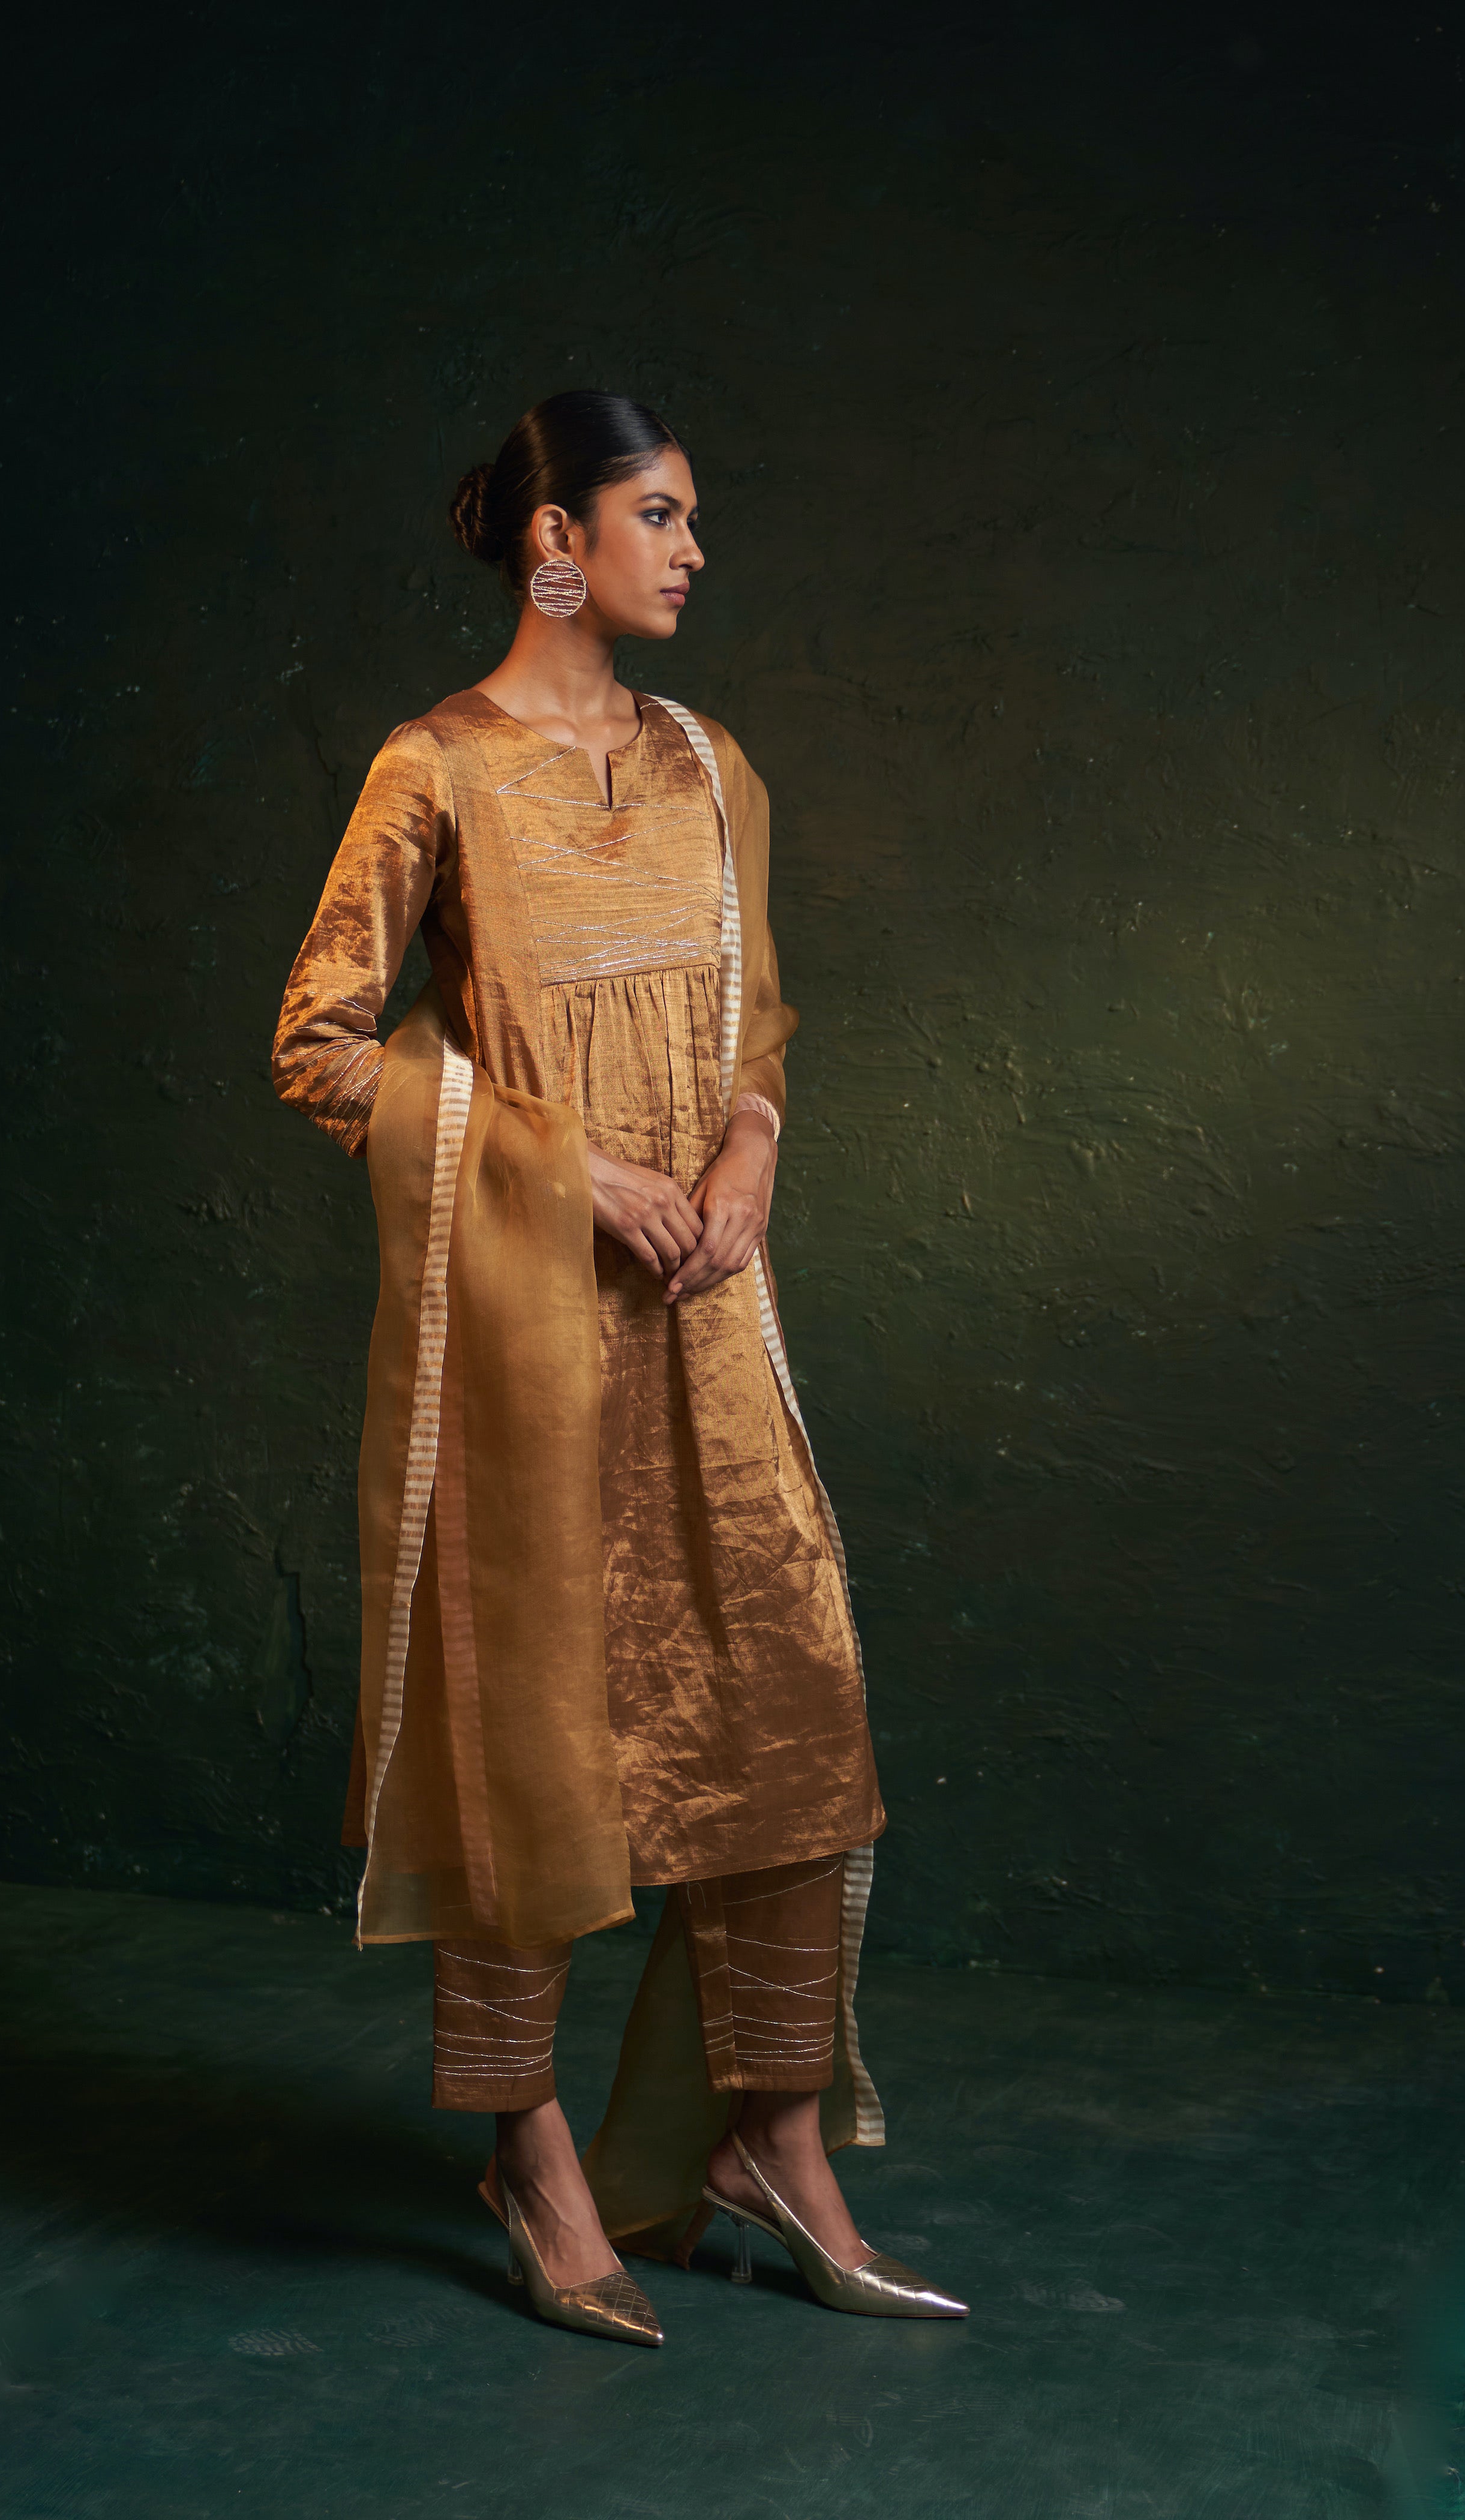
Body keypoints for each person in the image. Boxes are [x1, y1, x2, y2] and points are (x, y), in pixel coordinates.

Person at [271, 390, 968, 2345]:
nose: (691, 549)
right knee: (528, 1732)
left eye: (688, 517)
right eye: (657, 515)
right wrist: (562, 1169)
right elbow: (320, 1044)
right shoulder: (433, 769)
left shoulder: (707, 766)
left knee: (786, 1700)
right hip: (523, 1334)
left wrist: (748, 1148)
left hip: (709, 1318)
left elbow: (755, 1026)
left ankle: (773, 2140)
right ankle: (529, 2149)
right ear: (553, 541)